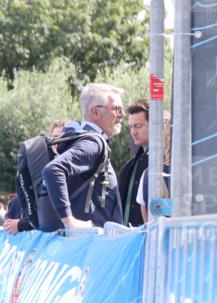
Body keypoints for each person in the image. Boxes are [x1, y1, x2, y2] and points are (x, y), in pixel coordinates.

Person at [42, 84, 124, 230]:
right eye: (116, 109)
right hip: (92, 245)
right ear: (95, 112)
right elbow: (53, 170)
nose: (122, 114)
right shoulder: (94, 142)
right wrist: (69, 221)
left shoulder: (83, 139)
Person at [117, 100, 150, 227]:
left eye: (138, 126)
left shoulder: (168, 163)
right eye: (131, 126)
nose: (132, 132)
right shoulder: (129, 167)